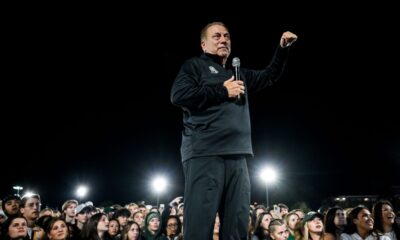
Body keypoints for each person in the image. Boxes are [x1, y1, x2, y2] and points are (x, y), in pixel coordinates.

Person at [170, 21, 297, 239]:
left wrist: (282, 49)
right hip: (205, 154)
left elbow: (269, 76)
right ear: (203, 44)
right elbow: (179, 95)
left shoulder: (239, 74)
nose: (223, 40)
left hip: (238, 156)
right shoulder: (194, 66)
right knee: (200, 224)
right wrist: (222, 90)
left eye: (227, 36)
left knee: (237, 225)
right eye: (216, 36)